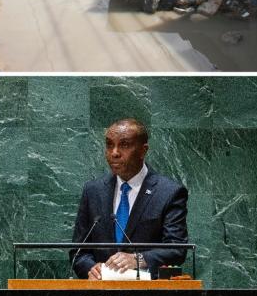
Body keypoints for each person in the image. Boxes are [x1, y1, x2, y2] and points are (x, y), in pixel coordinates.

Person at [70, 119, 189, 280]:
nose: (114, 153)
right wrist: (91, 268)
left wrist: (138, 259)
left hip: (148, 294)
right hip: (100, 295)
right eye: (110, 145)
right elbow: (79, 251)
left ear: (143, 150)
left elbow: (176, 249)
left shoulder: (168, 192)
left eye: (124, 145)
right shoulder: (93, 191)